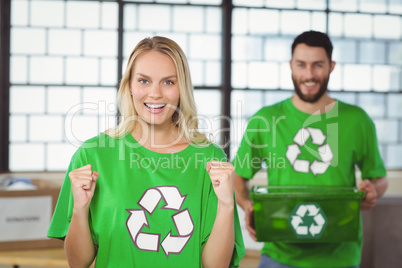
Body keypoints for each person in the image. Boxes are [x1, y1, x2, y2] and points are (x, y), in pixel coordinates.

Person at [48, 36, 245, 267]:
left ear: (182, 88)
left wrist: (226, 205)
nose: (155, 93)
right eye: (144, 81)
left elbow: (215, 265)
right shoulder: (93, 155)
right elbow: (78, 263)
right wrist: (80, 209)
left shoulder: (210, 159)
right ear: (129, 86)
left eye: (168, 82)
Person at [233, 31, 388, 268]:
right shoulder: (265, 120)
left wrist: (372, 190)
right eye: (301, 65)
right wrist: (247, 205)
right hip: (279, 254)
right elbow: (238, 177)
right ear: (290, 66)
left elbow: (379, 178)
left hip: (340, 257)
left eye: (318, 65)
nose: (309, 74)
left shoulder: (357, 120)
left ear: (331, 66)